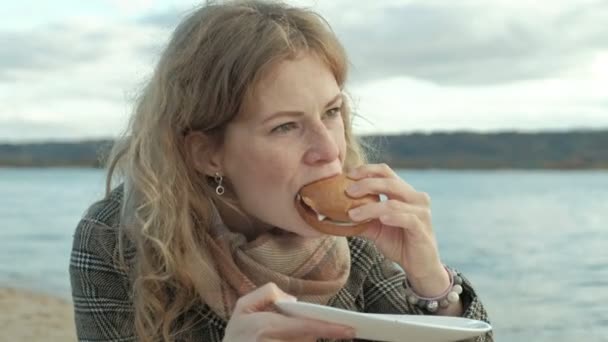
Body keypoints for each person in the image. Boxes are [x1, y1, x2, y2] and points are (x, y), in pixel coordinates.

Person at [69, 1, 493, 341]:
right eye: (285, 126)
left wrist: (432, 284)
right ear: (207, 154)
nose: (329, 151)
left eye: (331, 112)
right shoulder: (117, 243)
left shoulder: (350, 233)